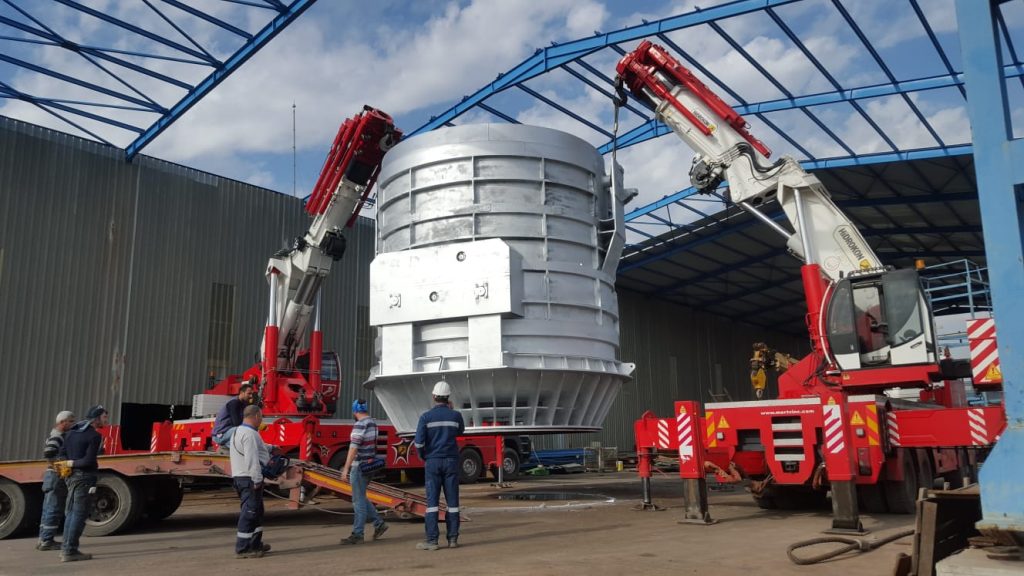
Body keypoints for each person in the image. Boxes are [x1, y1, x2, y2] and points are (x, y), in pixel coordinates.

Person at [413, 381, 465, 550]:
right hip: (451, 461)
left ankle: (432, 541)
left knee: (432, 503)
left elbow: (418, 443)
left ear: (434, 396)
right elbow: (460, 431)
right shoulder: (456, 416)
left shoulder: (425, 417)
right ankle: (452, 539)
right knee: (453, 502)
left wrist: (424, 456)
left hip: (433, 461)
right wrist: (451, 410)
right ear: (448, 397)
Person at [57, 405, 108, 563]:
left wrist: (67, 464)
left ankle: (66, 548)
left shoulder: (71, 433)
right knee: (79, 514)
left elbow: (61, 454)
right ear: (96, 418)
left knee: (71, 513)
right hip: (84, 477)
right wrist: (72, 463)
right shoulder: (94, 436)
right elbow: (88, 461)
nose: (106, 420)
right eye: (104, 417)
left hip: (71, 477)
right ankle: (70, 551)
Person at [339, 399, 388, 545]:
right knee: (361, 497)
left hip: (359, 467)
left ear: (355, 411)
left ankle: (358, 534)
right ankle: (379, 524)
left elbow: (353, 447)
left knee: (357, 501)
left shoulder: (360, 424)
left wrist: (345, 468)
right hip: (369, 466)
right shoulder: (373, 423)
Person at [230, 404, 273, 559]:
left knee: (257, 512)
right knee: (250, 513)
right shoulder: (249, 434)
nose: (261, 419)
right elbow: (252, 459)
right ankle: (243, 548)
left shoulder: (239, 431)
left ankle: (255, 544)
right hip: (249, 479)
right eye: (261, 416)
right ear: (255, 416)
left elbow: (256, 448)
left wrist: (271, 448)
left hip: (242, 477)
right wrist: (257, 479)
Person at [36, 410, 76, 551]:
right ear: (62, 422)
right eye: (70, 421)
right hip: (55, 476)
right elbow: (49, 453)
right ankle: (47, 541)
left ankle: (43, 539)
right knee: (54, 508)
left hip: (51, 476)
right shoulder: (57, 436)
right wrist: (60, 466)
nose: (72, 424)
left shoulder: (55, 435)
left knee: (47, 509)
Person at [213, 383, 255, 449]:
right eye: (249, 393)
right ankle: (226, 445)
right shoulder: (233, 403)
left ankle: (227, 445)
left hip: (229, 432)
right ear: (242, 393)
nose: (251, 396)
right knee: (245, 429)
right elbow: (237, 423)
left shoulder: (243, 404)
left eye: (252, 394)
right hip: (220, 435)